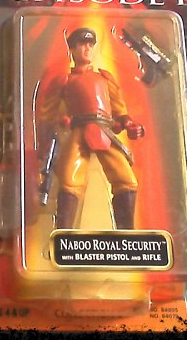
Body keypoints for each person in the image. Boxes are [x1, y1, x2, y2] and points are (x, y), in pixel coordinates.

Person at [36, 27, 145, 230]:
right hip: (79, 130)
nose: (87, 49)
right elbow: (47, 114)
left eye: (90, 45)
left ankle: (127, 233)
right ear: (72, 49)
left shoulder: (105, 78)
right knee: (69, 179)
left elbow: (119, 108)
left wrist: (128, 124)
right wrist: (45, 145)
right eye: (82, 44)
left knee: (126, 179)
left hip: (104, 130)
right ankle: (63, 232)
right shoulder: (64, 80)